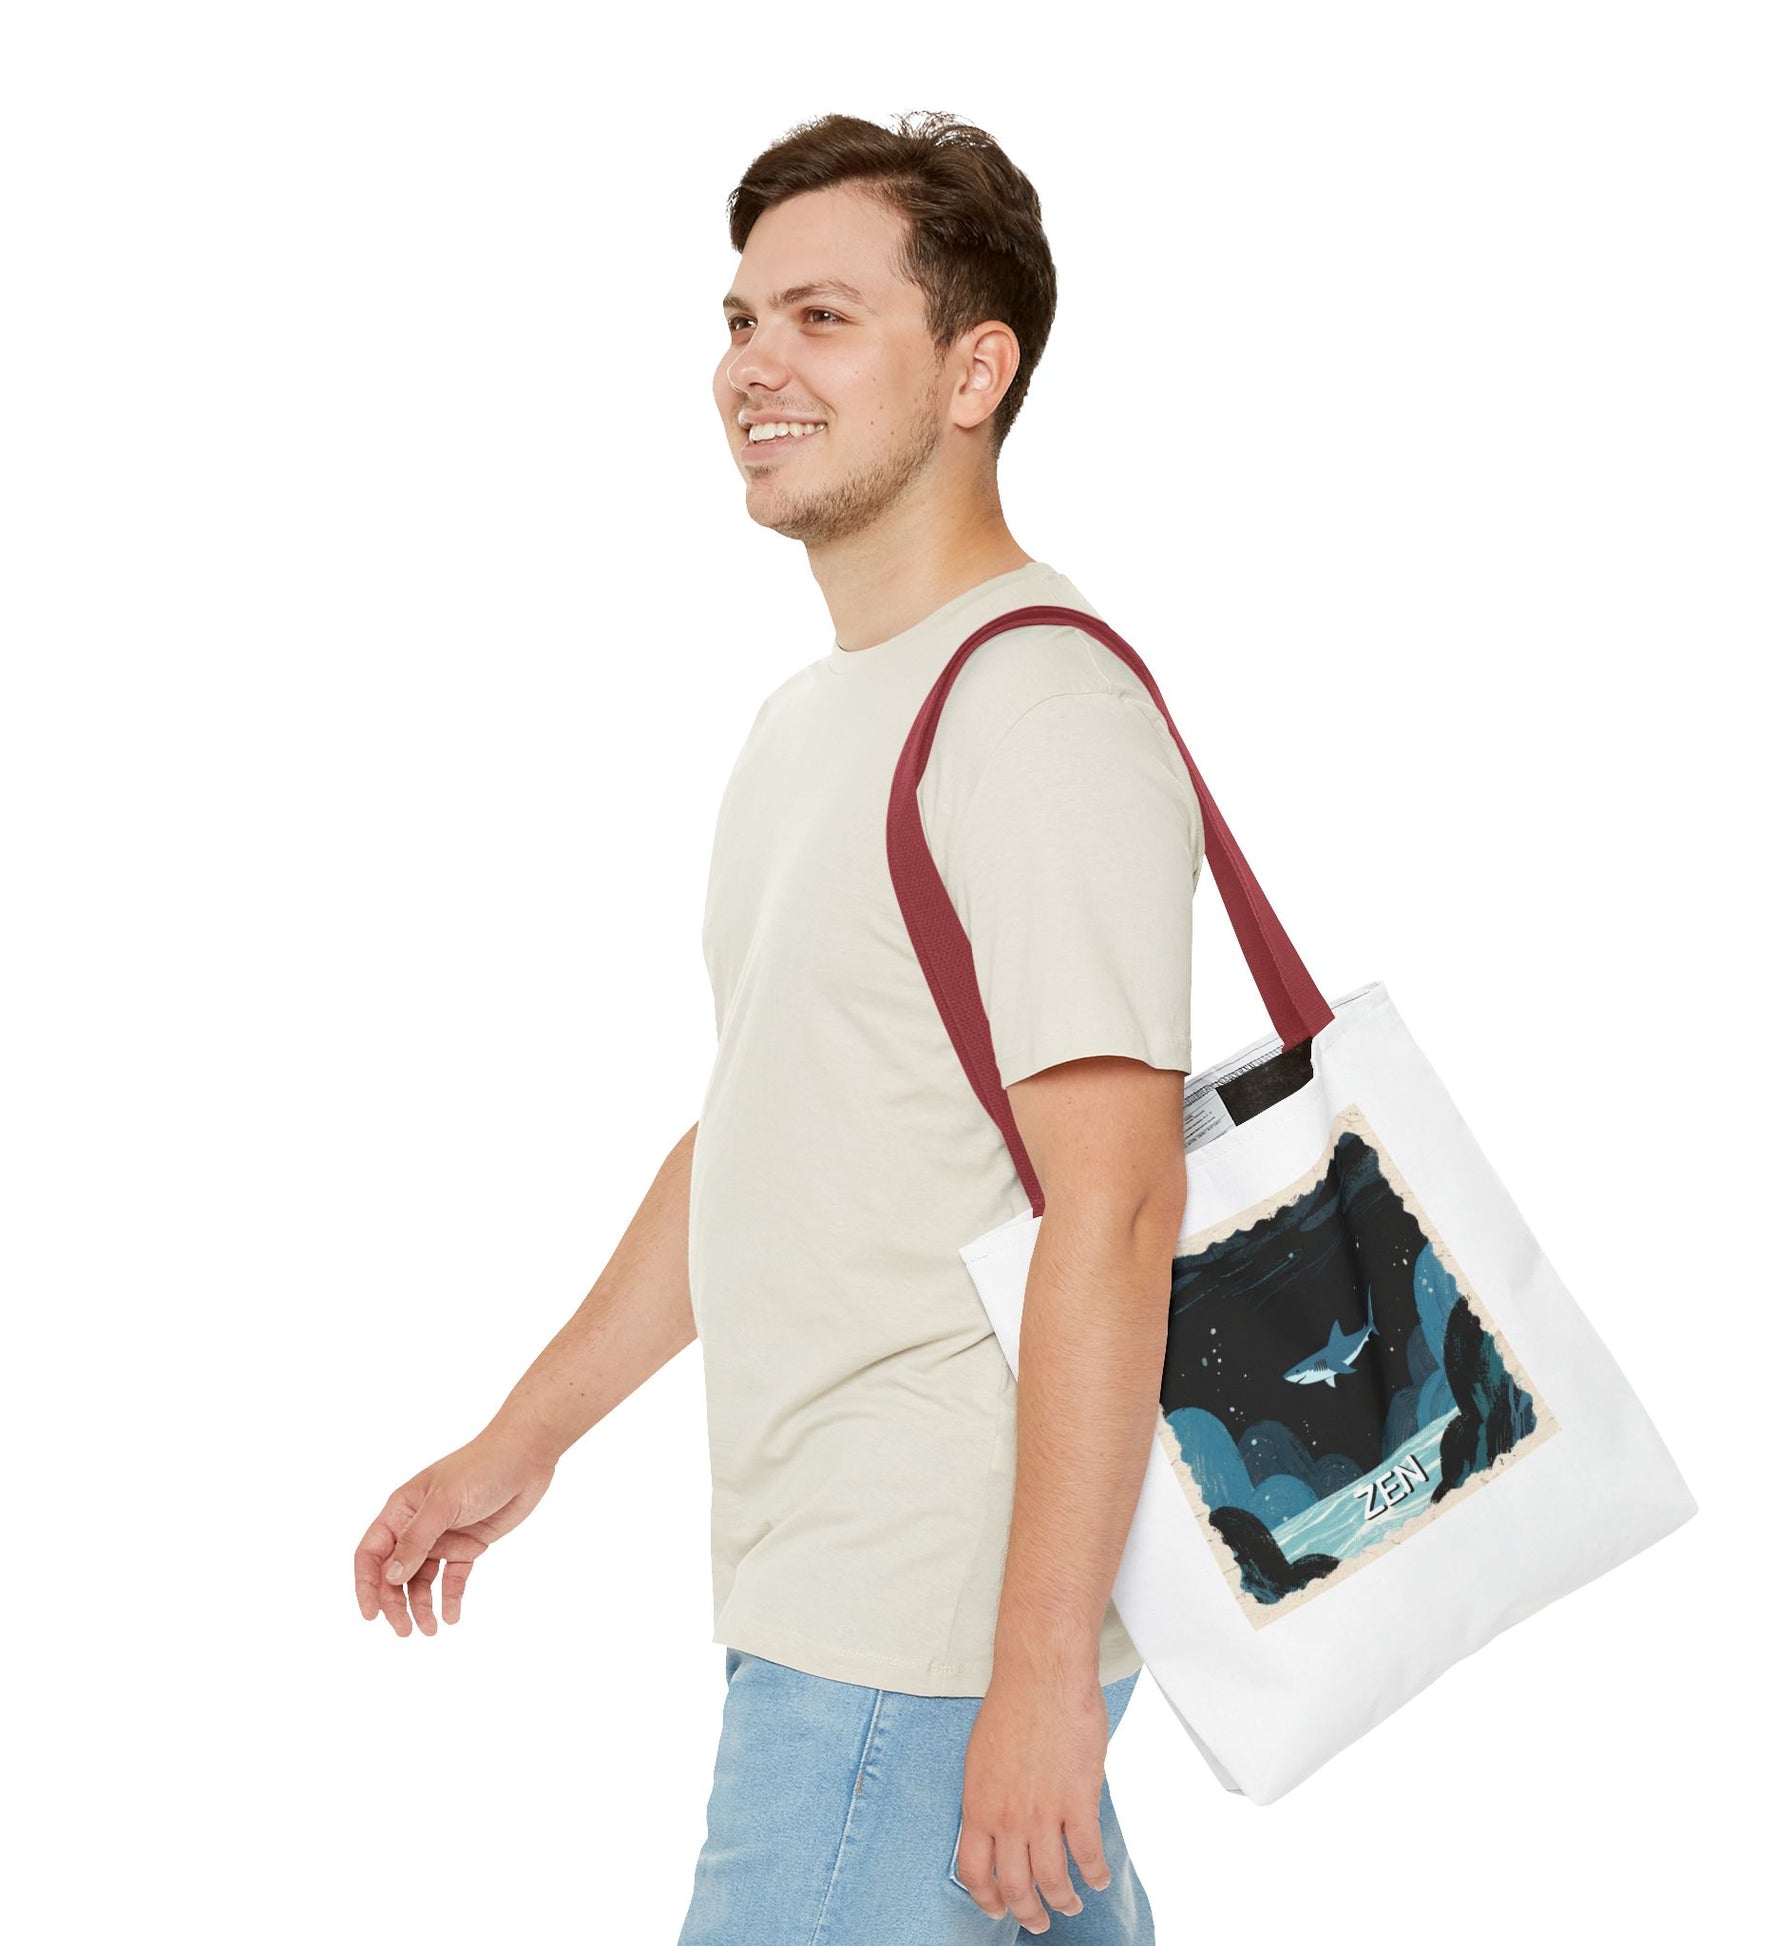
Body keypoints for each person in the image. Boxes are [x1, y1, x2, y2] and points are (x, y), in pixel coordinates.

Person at [352, 109, 1203, 1943]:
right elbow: (763, 1132)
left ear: (974, 371)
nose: (754, 365)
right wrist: (522, 1439)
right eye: (741, 319)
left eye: (822, 317)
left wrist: (1037, 1677)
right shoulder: (814, 723)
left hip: (914, 1633)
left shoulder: (1033, 711)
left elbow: (1121, 1202)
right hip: (841, 1600)